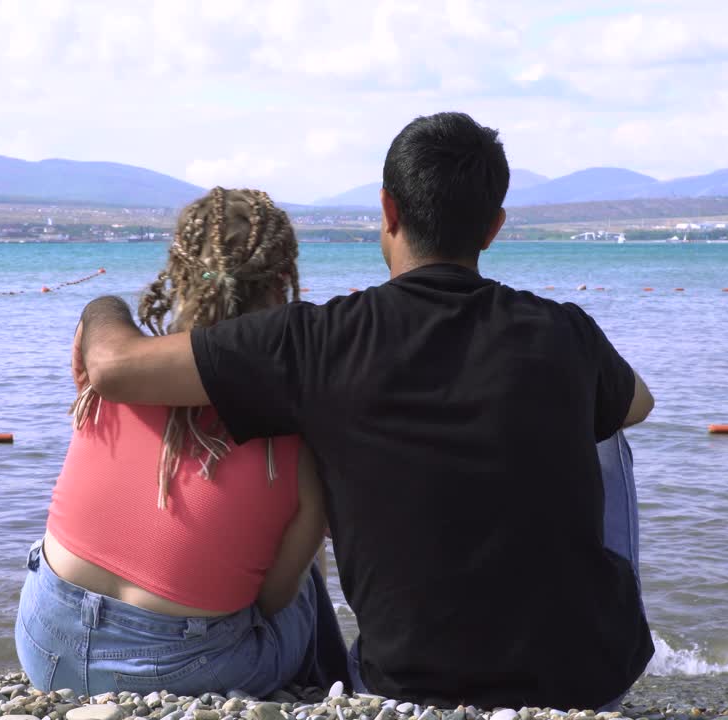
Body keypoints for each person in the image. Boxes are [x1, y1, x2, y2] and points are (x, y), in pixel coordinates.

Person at [71, 112, 656, 710]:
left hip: (407, 686)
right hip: (589, 682)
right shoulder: (564, 331)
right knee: (604, 425)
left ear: (389, 211)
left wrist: (103, 305)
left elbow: (114, 368)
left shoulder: (318, 342)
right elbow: (640, 402)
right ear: (493, 228)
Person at [16, 188, 342, 697]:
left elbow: (98, 335)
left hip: (44, 641)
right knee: (306, 583)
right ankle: (324, 686)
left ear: (179, 272)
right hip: (186, 669)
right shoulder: (290, 431)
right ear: (282, 285)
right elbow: (273, 600)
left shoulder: (115, 371)